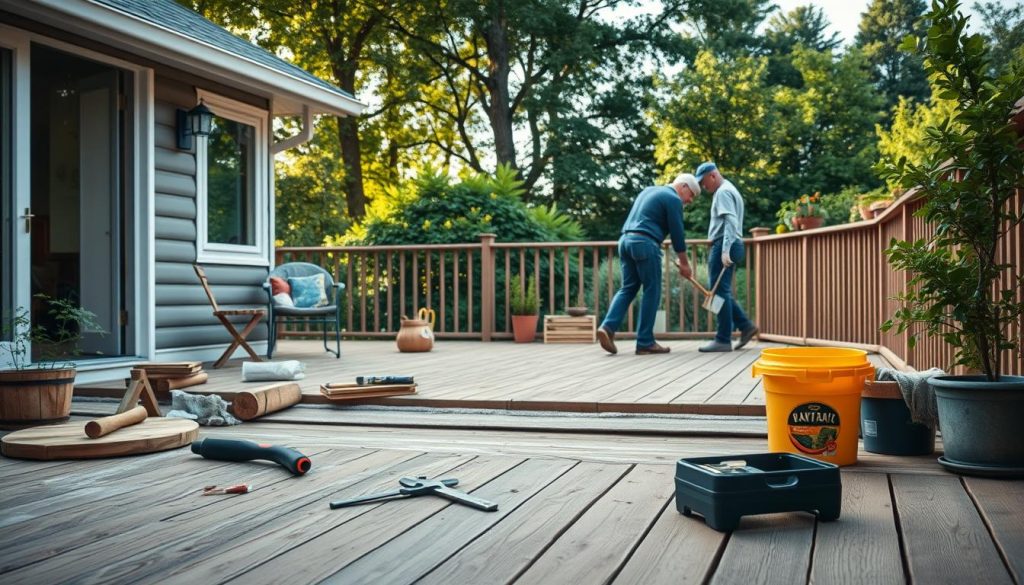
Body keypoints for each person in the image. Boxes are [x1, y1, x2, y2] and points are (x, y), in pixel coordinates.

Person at [597, 174, 700, 355]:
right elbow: (678, 234)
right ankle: (645, 341)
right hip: (645, 243)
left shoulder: (649, 190)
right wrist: (685, 263)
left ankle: (607, 327)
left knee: (628, 288)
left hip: (625, 242)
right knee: (652, 290)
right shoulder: (673, 198)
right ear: (683, 186)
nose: (690, 200)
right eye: (691, 194)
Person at [693, 162, 759, 352]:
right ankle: (746, 326)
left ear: (712, 175)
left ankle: (723, 339)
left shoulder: (722, 192)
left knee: (718, 293)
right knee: (721, 292)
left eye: (704, 182)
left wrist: (725, 250)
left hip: (725, 243)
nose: (703, 187)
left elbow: (730, 220)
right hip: (730, 243)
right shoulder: (731, 189)